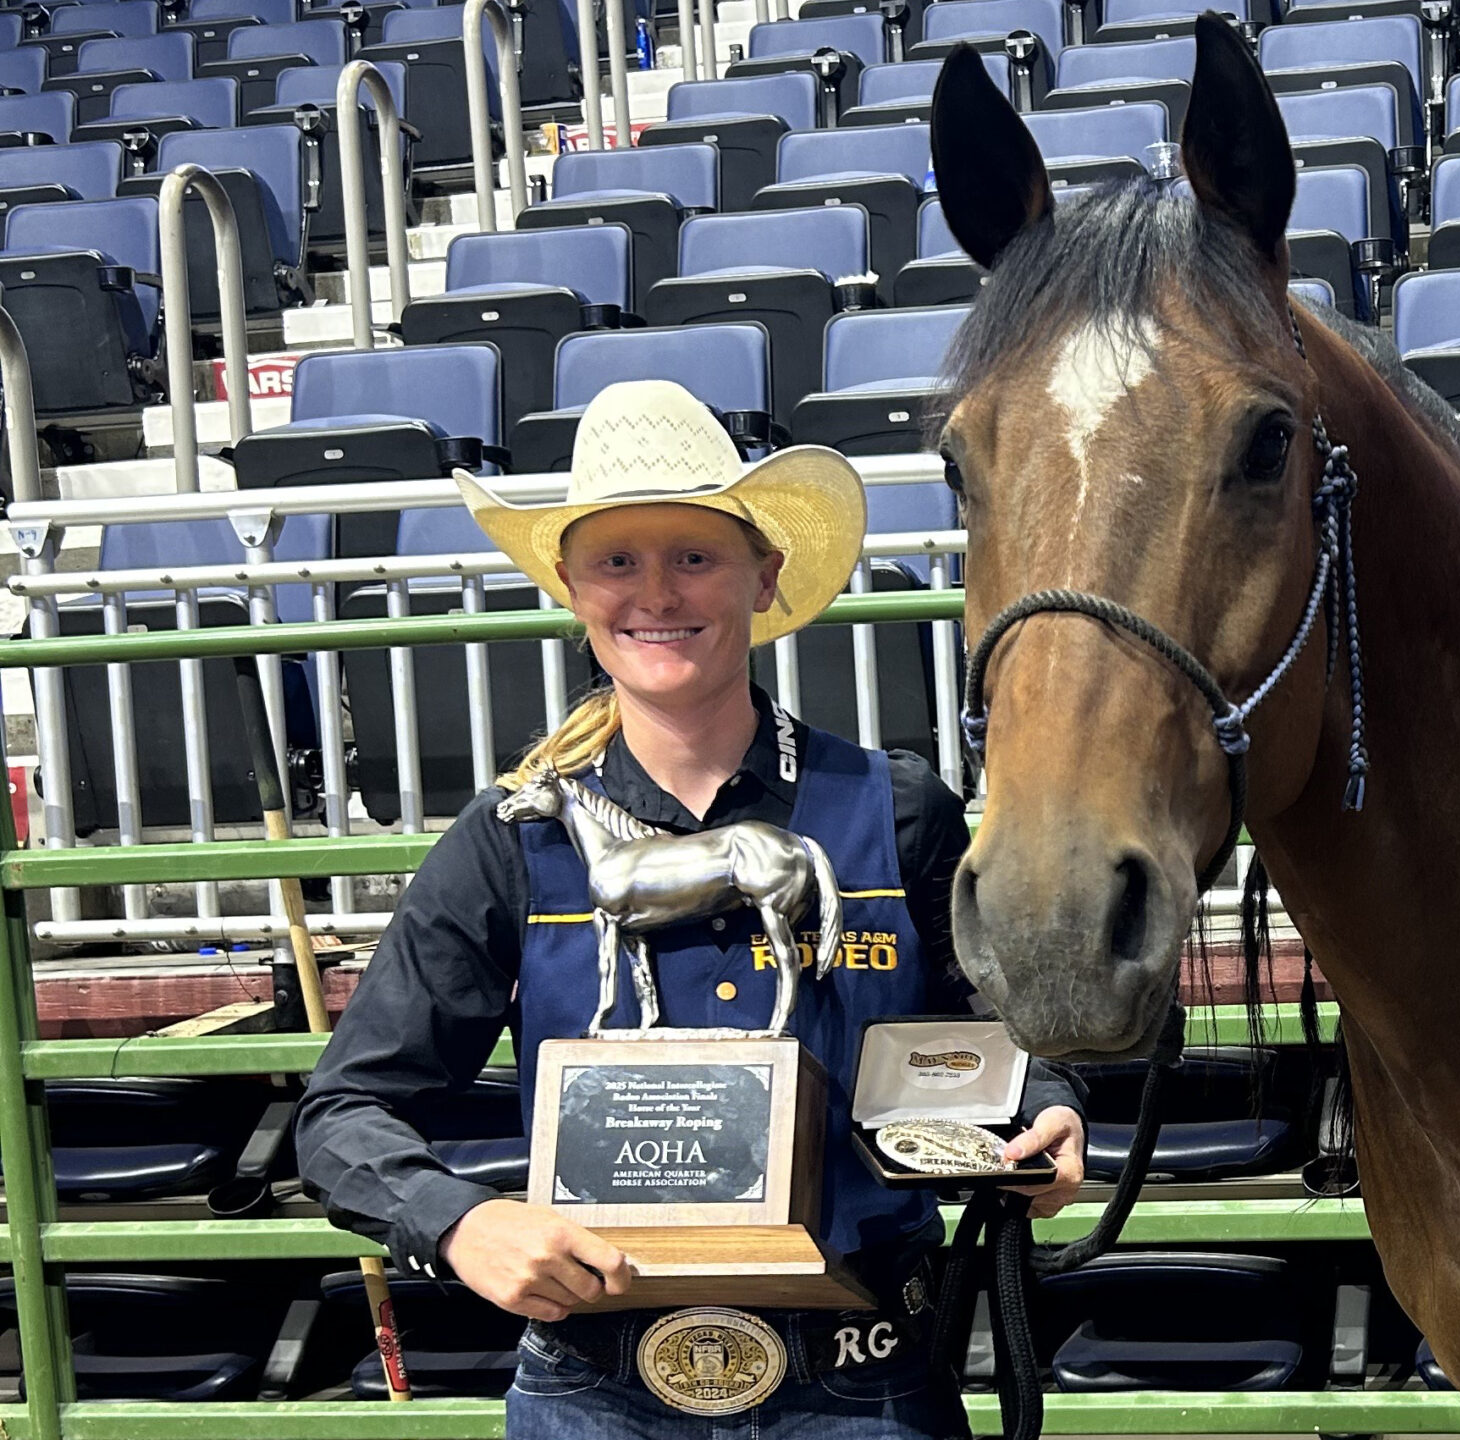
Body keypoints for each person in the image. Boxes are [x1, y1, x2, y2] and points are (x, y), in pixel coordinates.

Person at [297, 380, 1087, 1438]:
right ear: (572, 587)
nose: (655, 594)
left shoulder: (897, 811)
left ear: (764, 577)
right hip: (594, 1388)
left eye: (695, 557)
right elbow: (343, 1113)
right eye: (617, 561)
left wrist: (1045, 1100)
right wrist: (461, 1222)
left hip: (863, 1382)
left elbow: (990, 1038)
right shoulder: (512, 837)